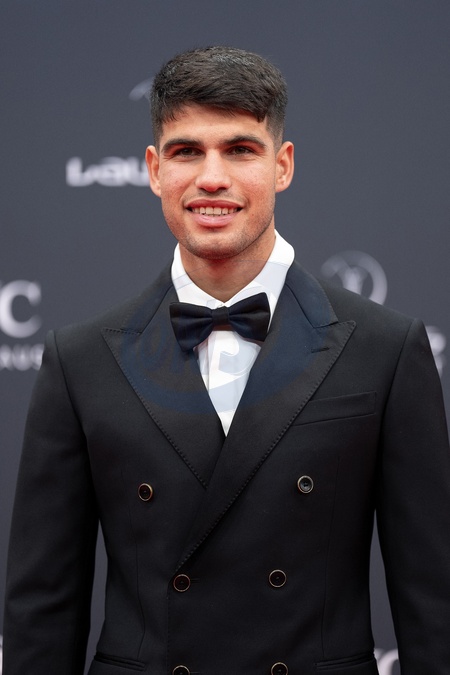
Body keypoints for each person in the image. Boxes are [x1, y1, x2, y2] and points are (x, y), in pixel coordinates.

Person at [3, 46, 450, 675]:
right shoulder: (79, 362)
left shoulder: (386, 349)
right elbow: (41, 615)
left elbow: (434, 606)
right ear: (154, 170)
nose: (212, 178)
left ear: (282, 165)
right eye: (187, 151)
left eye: (240, 150)